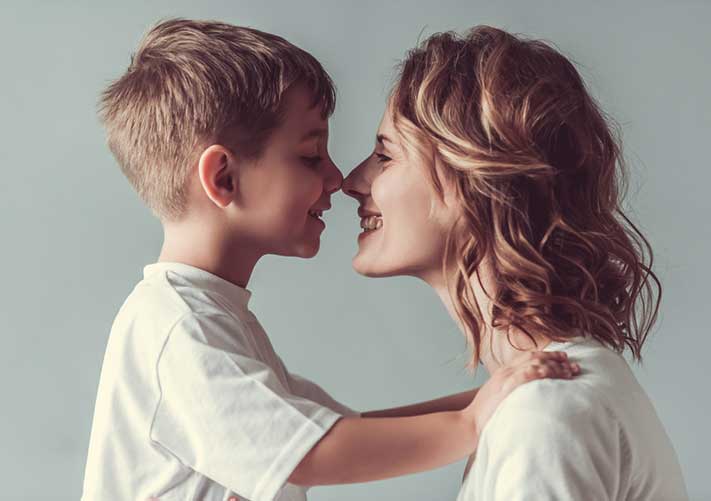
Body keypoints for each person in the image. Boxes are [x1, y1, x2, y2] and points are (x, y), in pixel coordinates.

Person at [80, 19, 579, 501]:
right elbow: (311, 453)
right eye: (310, 155)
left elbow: (347, 431)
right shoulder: (176, 329)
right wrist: (470, 424)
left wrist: (489, 396)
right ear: (223, 179)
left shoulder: (208, 320)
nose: (338, 178)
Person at [342, 26, 689, 500]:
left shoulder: (546, 410)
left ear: (474, 177)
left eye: (385, 155)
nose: (351, 181)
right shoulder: (534, 398)